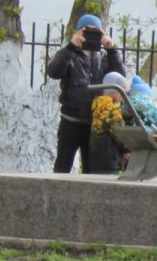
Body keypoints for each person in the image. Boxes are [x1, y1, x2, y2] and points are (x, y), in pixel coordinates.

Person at [47, 13, 125, 174]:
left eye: (94, 31)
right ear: (78, 32)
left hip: (94, 121)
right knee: (63, 164)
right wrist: (71, 46)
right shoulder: (69, 55)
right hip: (71, 119)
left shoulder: (103, 56)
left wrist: (111, 49)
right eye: (85, 30)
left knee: (91, 168)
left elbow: (120, 77)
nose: (90, 34)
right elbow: (54, 72)